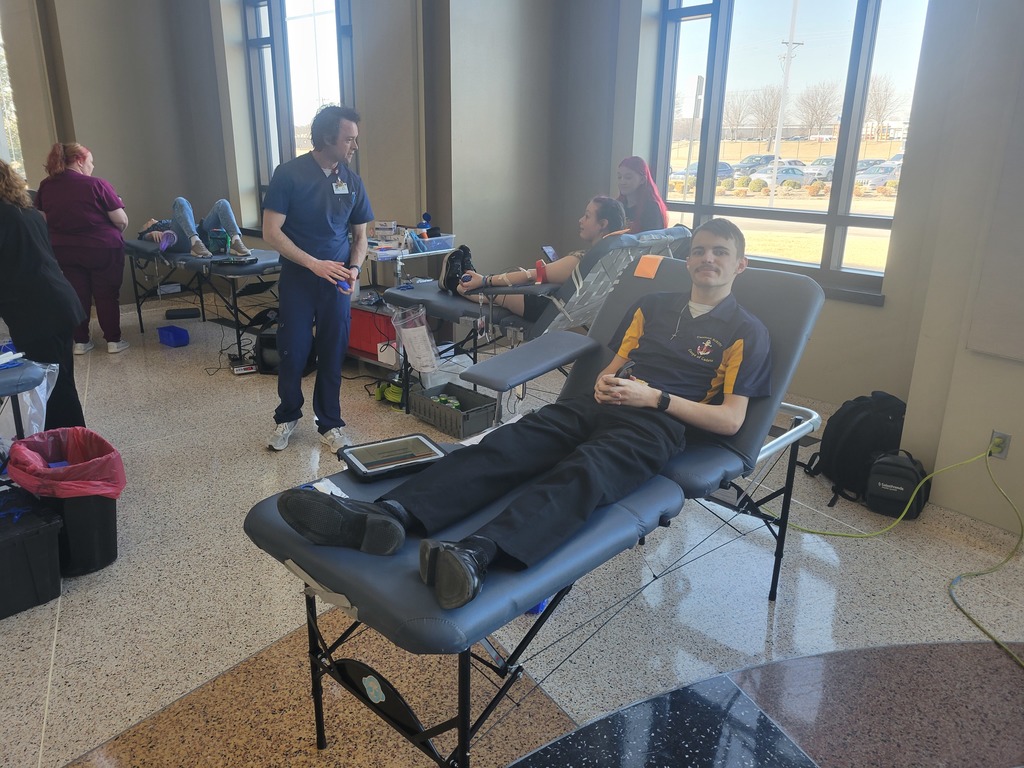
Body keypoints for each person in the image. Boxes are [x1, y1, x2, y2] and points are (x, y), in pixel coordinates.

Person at [276, 218, 771, 610]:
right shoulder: (653, 305)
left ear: (740, 265)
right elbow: (616, 364)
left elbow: (730, 421)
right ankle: (390, 515)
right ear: (688, 260)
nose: (707, 259)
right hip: (600, 404)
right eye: (699, 250)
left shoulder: (747, 331)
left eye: (720, 252)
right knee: (506, 446)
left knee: (585, 473)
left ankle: (475, 555)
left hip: (657, 425)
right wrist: (606, 382)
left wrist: (655, 399)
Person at [261, 105, 373, 454]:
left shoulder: (352, 182)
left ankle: (330, 422)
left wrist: (354, 270)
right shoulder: (289, 175)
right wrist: (313, 264)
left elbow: (361, 237)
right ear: (327, 138)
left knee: (332, 350)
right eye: (349, 139)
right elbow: (271, 232)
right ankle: (287, 415)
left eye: (355, 139)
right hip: (299, 279)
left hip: (336, 283)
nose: (355, 146)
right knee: (293, 351)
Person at [0, 160, 87, 429]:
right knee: (60, 382)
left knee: (54, 389)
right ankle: (70, 442)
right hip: (57, 302)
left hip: (36, 312)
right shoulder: (25, 211)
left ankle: (71, 445)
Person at [451, 196, 627, 320]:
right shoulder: (614, 256)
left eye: (587, 216)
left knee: (491, 290)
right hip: (568, 307)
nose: (581, 220)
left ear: (603, 224)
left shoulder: (580, 260)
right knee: (515, 277)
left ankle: (457, 281)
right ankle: (470, 274)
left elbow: (530, 275)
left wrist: (485, 280)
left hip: (543, 307)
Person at [35, 142, 130, 355]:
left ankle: (80, 342)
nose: (92, 166)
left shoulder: (46, 186)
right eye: (90, 162)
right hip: (102, 249)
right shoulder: (97, 184)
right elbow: (121, 220)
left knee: (77, 294)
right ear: (79, 161)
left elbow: (43, 220)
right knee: (106, 294)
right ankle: (113, 341)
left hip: (65, 250)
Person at [137, 197, 252, 258]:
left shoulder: (170, 220)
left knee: (222, 203)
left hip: (201, 232)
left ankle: (235, 240)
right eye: (148, 223)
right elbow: (142, 240)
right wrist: (150, 235)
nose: (151, 219)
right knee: (180, 201)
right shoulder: (150, 233)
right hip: (181, 240)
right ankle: (194, 243)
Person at [616, 156, 668, 235]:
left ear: (642, 180)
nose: (622, 182)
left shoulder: (652, 208)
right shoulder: (617, 205)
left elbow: (652, 239)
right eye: (619, 177)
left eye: (628, 178)